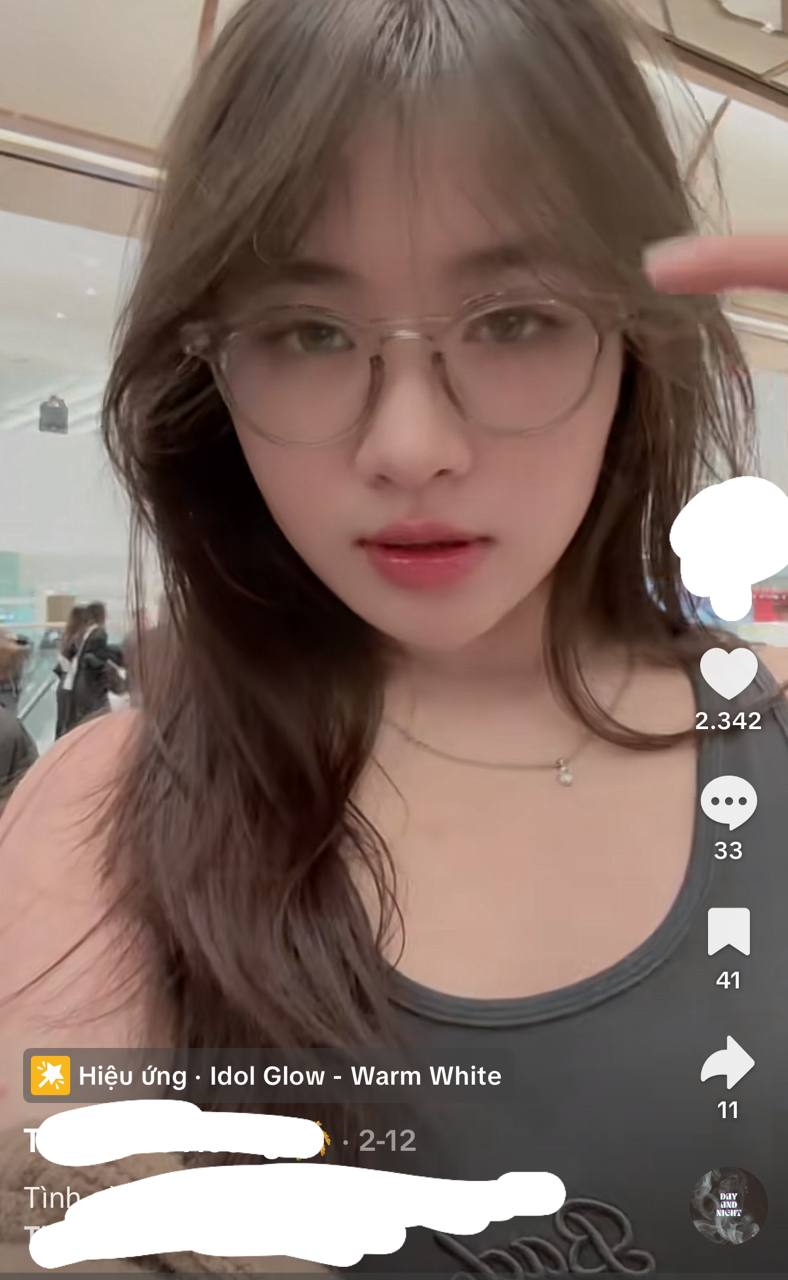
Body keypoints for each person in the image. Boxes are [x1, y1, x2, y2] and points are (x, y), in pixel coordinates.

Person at [1, 0, 788, 1272]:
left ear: (634, 337)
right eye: (309, 333)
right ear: (207, 373)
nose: (408, 445)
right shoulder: (107, 819)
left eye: (514, 319)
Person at [53, 604, 88, 739]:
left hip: (64, 685)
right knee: (73, 726)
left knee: (63, 724)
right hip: (73, 686)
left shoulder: (66, 637)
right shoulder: (80, 640)